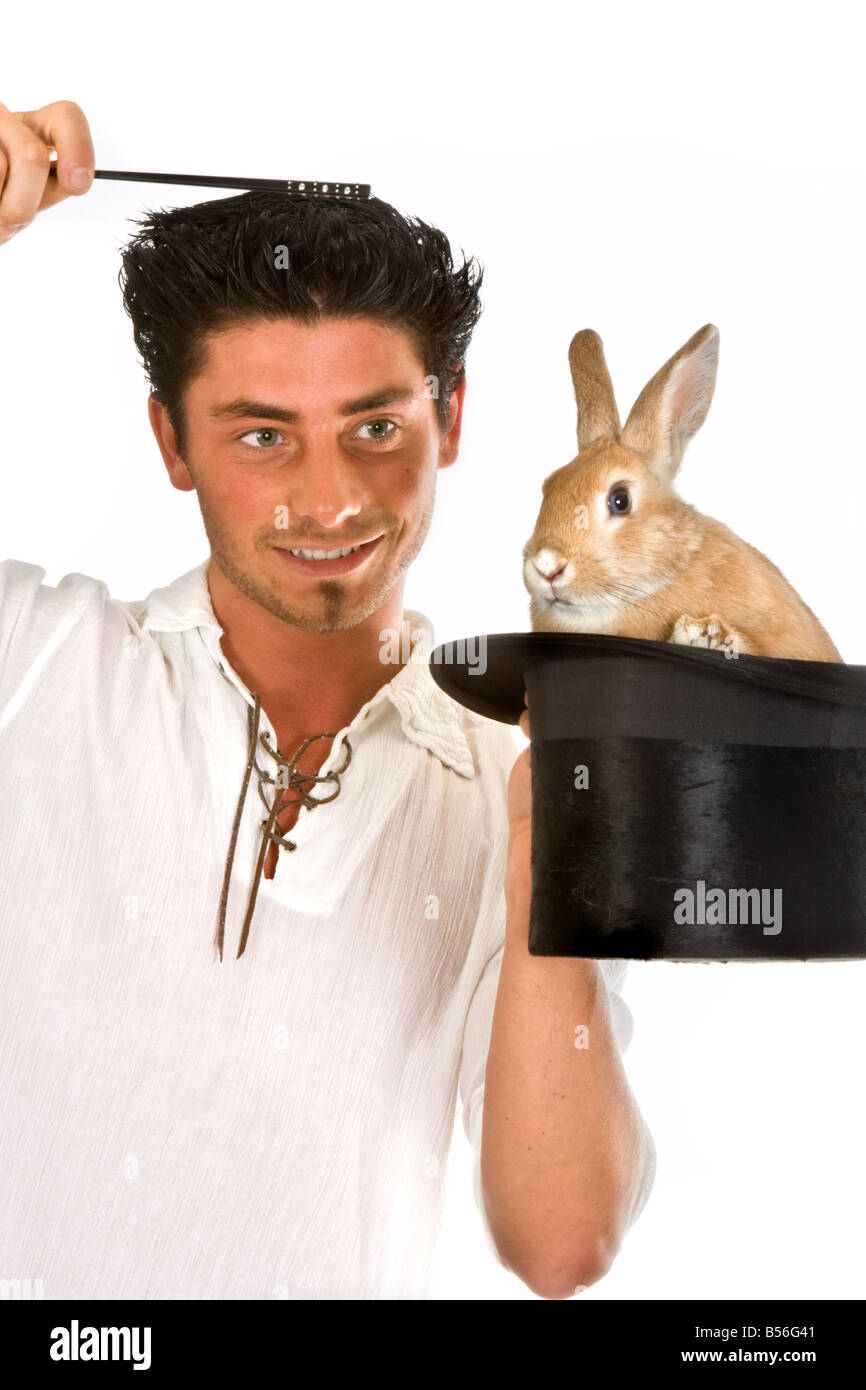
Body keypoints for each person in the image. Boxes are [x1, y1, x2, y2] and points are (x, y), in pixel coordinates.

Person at [0, 98, 655, 1300]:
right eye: (260, 436)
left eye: (373, 426)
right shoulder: (31, 665)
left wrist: (537, 865)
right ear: (171, 443)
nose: (329, 497)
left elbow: (562, 1243)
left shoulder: (509, 777)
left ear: (447, 418)